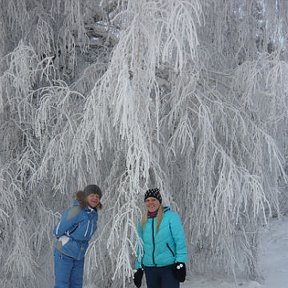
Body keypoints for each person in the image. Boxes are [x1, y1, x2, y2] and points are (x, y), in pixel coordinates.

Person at [133, 188, 188, 288]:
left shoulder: (171, 217)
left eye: (153, 200)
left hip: (169, 268)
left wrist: (180, 262)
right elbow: (139, 247)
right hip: (150, 269)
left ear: (159, 201)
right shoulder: (142, 221)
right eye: (148, 200)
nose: (151, 203)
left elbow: (180, 241)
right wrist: (138, 267)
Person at [53, 184, 103, 288]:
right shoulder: (76, 210)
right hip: (64, 253)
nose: (95, 198)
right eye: (92, 195)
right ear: (85, 196)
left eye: (97, 197)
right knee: (62, 285)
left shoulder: (93, 215)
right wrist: (65, 240)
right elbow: (57, 230)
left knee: (76, 285)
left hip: (79, 255)